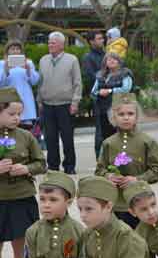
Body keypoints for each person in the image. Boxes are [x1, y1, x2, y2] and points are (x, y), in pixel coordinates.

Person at [0, 87, 47, 258]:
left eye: (19, 113)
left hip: (21, 197)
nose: (17, 118)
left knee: (21, 244)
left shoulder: (27, 136)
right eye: (11, 114)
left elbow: (41, 163)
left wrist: (26, 169)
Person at [95, 93, 158, 228]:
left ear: (137, 116)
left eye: (130, 113)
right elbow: (99, 170)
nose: (126, 117)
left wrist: (137, 179)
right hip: (115, 203)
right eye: (121, 114)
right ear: (113, 117)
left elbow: (157, 171)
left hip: (141, 203)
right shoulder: (108, 143)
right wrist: (108, 176)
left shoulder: (148, 142)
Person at [37, 31, 82, 174]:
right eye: (49, 42)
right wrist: (39, 100)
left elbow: (77, 83)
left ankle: (69, 166)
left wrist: (75, 102)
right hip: (48, 105)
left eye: (53, 43)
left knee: (67, 138)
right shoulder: (43, 60)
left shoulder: (72, 59)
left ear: (62, 45)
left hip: (65, 105)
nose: (50, 45)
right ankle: (53, 166)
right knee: (50, 138)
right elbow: (40, 82)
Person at [91, 52, 134, 158]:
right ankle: (105, 161)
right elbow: (93, 91)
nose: (111, 61)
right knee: (105, 138)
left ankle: (122, 161)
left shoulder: (125, 73)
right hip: (102, 111)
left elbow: (126, 89)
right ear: (105, 63)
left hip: (119, 110)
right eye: (108, 59)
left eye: (114, 59)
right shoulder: (100, 75)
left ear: (119, 62)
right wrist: (99, 93)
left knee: (120, 137)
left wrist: (110, 90)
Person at [0, 39, 41, 128]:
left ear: (21, 51)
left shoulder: (28, 62)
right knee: (8, 130)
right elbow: (1, 83)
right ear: (8, 51)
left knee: (25, 129)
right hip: (8, 101)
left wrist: (28, 70)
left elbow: (35, 81)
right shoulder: (2, 63)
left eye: (17, 49)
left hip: (26, 101)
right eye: (12, 49)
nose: (15, 51)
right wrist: (6, 70)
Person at [81, 31, 105, 98]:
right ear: (92, 41)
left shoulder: (106, 55)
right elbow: (90, 78)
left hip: (109, 92)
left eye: (102, 38)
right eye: (99, 39)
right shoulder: (87, 57)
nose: (102, 40)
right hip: (97, 95)